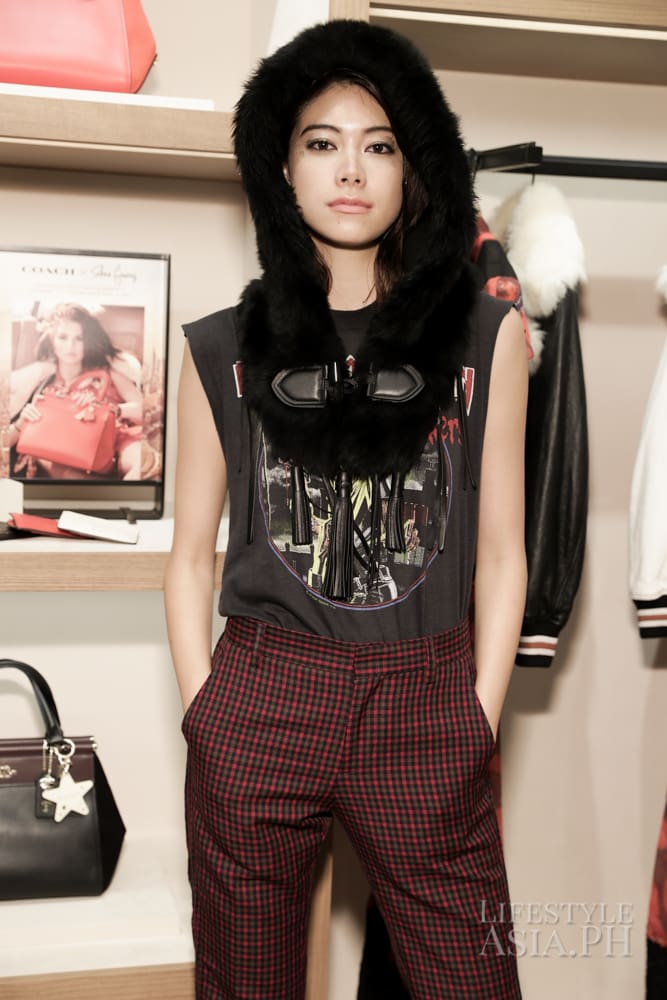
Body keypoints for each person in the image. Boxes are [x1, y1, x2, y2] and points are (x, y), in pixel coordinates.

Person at [165, 19, 527, 1000]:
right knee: (246, 983)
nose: (351, 169)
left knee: (472, 978)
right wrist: (206, 710)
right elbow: (190, 554)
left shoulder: (486, 335)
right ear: (282, 169)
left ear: (415, 170)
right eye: (321, 142)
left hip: (427, 698)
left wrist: (478, 714)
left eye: (380, 145)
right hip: (262, 695)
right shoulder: (221, 346)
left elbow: (502, 553)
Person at [8, 303, 142, 479]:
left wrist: (110, 409)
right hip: (70, 452)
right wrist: (21, 424)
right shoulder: (42, 382)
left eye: (79, 338)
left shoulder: (107, 374)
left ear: (88, 342)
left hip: (119, 440)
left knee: (143, 465)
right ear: (52, 341)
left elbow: (145, 410)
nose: (71, 346)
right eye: (63, 337)